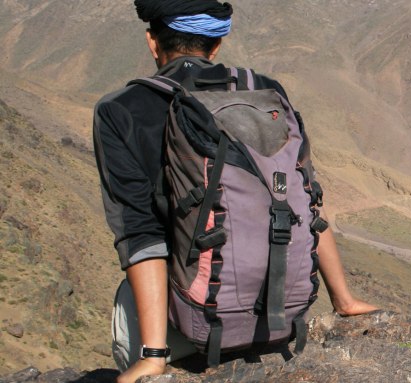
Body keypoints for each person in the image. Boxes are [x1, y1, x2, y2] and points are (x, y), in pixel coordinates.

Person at [93, 2, 377, 382]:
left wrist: (153, 355)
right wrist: (344, 300)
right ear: (217, 45)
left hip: (190, 330)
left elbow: (140, 236)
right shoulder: (266, 93)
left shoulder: (120, 110)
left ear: (152, 41)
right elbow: (304, 197)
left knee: (129, 291)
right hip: (280, 321)